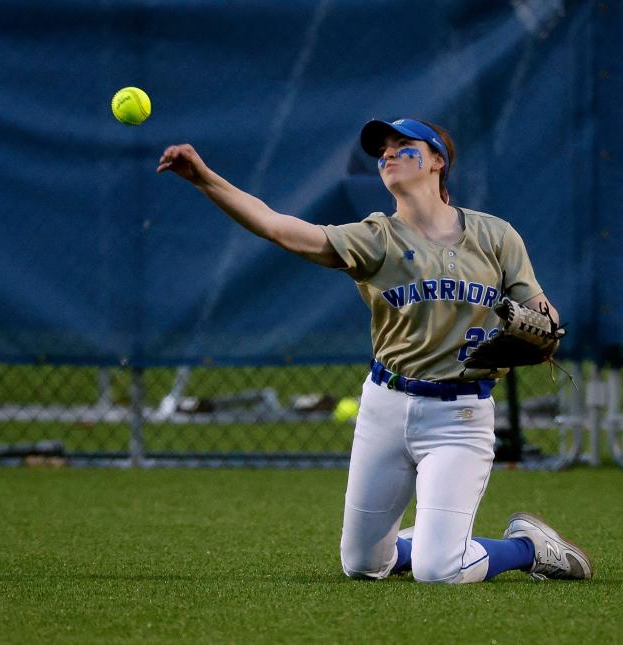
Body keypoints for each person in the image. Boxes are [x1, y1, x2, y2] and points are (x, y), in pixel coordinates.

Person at [157, 118, 593, 584]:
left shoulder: (495, 237)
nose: (387, 154)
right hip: (385, 408)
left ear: (436, 161)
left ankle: (528, 548)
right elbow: (279, 228)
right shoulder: (376, 238)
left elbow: (542, 312)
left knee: (439, 571)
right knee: (363, 566)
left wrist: (545, 327)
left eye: (403, 146)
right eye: (381, 149)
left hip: (459, 417)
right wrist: (205, 178)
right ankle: (429, 540)